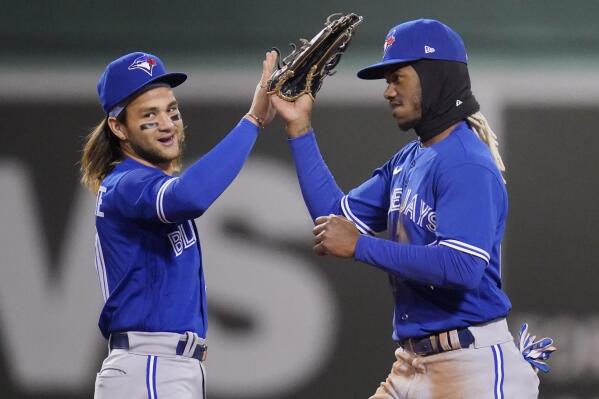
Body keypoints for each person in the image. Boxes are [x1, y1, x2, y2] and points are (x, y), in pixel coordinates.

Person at [271, 19, 540, 398]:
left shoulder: (466, 162)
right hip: (413, 363)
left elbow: (462, 267)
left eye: (398, 77)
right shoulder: (409, 160)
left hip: (471, 366)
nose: (388, 91)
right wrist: (299, 129)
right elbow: (334, 223)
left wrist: (362, 247)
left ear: (435, 77)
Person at [80, 50, 276, 399]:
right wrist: (253, 120)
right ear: (117, 127)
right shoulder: (127, 185)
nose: (168, 124)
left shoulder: (144, 184)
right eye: (149, 115)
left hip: (162, 368)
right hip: (151, 367)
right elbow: (191, 197)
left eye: (171, 110)